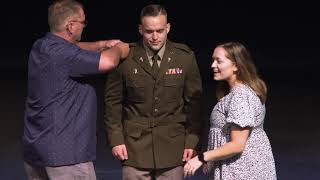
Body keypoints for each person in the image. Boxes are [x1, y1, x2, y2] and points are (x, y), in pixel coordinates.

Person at [22, 0, 129, 179]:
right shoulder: (65, 56)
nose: (84, 26)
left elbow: (74, 48)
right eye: (82, 22)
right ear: (71, 26)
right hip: (65, 158)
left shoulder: (41, 46)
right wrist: (119, 49)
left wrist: (101, 44)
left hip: (36, 152)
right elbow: (108, 62)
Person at [104, 4, 202, 180]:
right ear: (140, 29)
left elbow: (194, 105)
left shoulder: (184, 57)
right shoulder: (126, 58)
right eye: (149, 31)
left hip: (173, 148)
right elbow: (113, 103)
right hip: (134, 149)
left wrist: (192, 142)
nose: (155, 37)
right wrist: (116, 139)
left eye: (160, 30)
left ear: (168, 28)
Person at [184, 42, 277, 179]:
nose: (213, 65)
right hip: (239, 167)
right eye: (213, 60)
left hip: (242, 170)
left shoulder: (240, 96)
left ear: (236, 66)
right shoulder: (236, 92)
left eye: (219, 61)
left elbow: (237, 145)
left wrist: (202, 158)